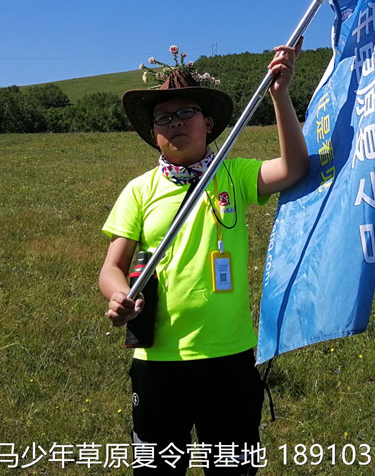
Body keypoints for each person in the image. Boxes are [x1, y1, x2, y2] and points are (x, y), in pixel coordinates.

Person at [99, 43, 308, 475]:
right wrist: (119, 296)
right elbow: (111, 267)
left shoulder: (234, 174)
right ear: (153, 133)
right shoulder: (139, 191)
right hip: (158, 364)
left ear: (208, 122)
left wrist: (280, 95)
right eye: (163, 118)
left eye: (185, 113)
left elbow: (293, 169)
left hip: (229, 357)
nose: (174, 124)